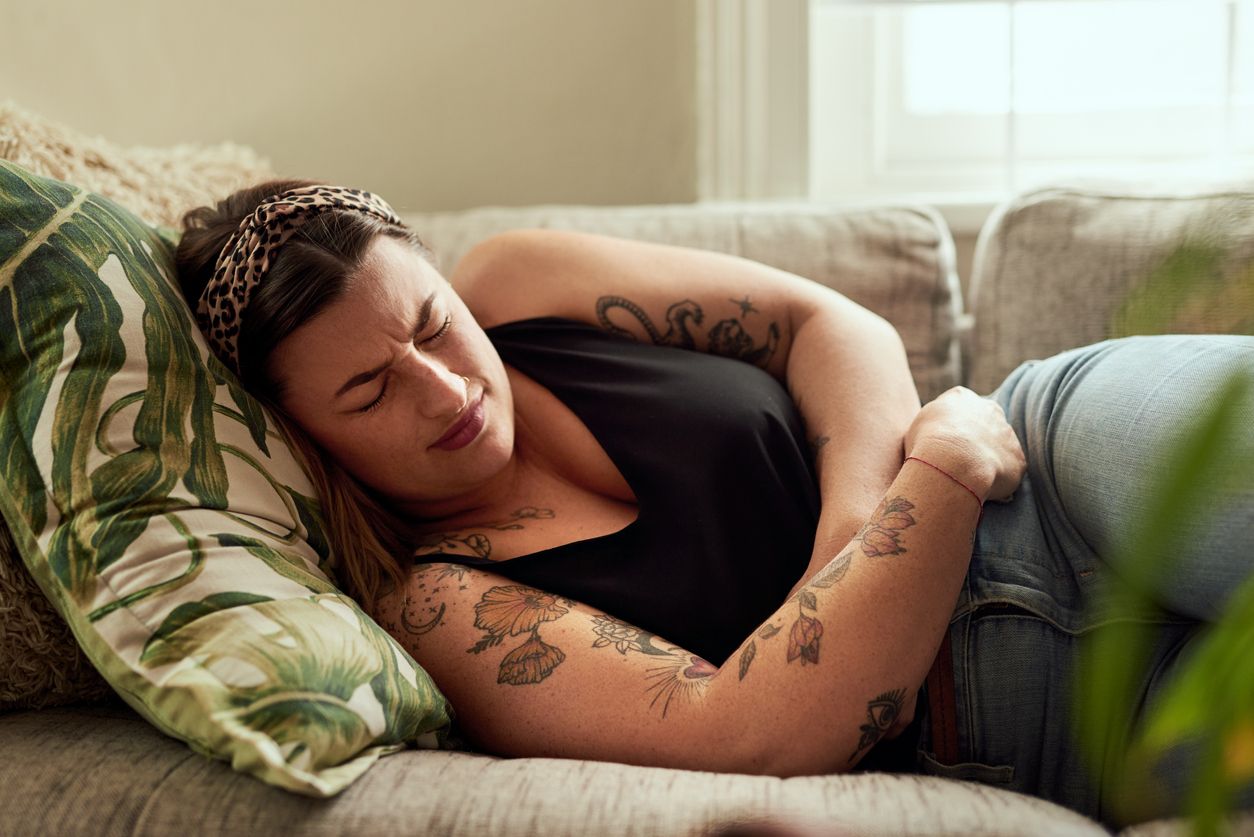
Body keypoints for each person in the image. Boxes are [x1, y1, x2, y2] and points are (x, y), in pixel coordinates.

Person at [175, 181, 1254, 828]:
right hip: (1009, 703)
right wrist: (937, 478)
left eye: (432, 327)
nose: (448, 390)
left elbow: (834, 329)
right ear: (306, 439)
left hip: (1055, 460)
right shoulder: (441, 608)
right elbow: (749, 731)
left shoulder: (519, 280)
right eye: (371, 391)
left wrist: (860, 537)